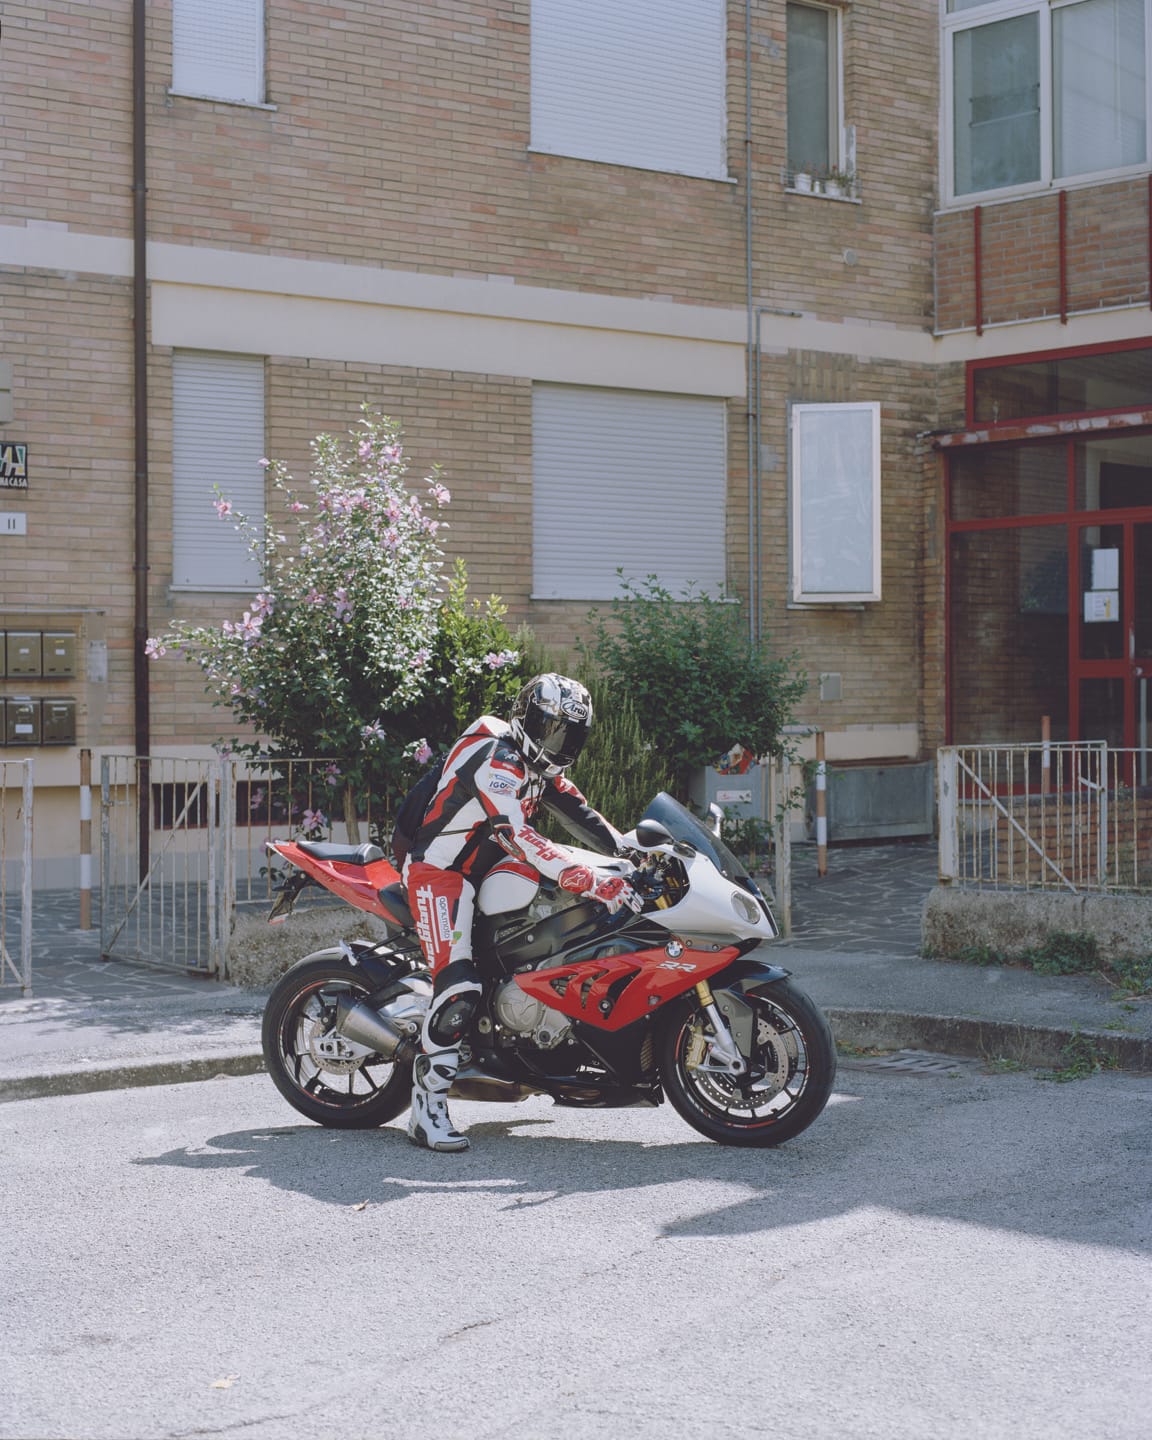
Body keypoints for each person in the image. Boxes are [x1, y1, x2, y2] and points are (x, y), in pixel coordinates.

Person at [402, 672, 639, 1152]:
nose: (557, 743)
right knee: (461, 986)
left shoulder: (537, 768)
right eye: (549, 729)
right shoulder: (498, 760)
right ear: (525, 718)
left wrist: (633, 853)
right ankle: (426, 1110)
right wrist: (590, 879)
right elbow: (519, 835)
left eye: (568, 736)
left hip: (487, 864)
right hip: (441, 872)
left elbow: (580, 812)